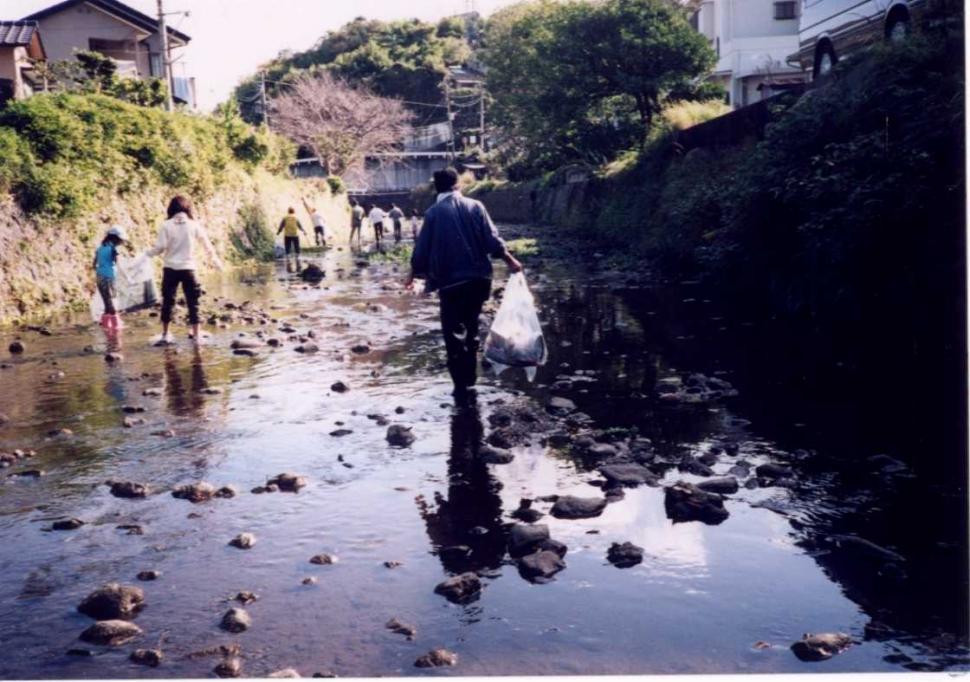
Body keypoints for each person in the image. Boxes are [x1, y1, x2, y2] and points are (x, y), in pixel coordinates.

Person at [406, 168, 522, 399]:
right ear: (457, 184)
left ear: (436, 188)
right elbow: (491, 239)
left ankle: (460, 386)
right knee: (472, 326)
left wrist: (413, 274)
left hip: (450, 283)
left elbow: (421, 251)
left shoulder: (432, 213)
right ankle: (471, 380)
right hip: (479, 279)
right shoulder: (475, 206)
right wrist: (510, 260)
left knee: (452, 333)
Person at [145, 195, 223, 345]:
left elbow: (160, 247)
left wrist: (147, 255)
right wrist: (216, 261)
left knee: (168, 302)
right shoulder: (194, 225)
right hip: (189, 269)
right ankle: (196, 335)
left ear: (171, 209)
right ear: (187, 208)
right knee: (194, 303)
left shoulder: (166, 225)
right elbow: (207, 245)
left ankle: (166, 334)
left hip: (170, 269)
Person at [92, 225, 128, 332]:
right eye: (121, 240)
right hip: (109, 278)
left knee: (106, 302)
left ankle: (106, 327)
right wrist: (127, 277)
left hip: (99, 277)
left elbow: (94, 265)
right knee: (112, 304)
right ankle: (116, 329)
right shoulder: (113, 249)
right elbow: (119, 265)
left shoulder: (100, 248)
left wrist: (103, 268)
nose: (122, 242)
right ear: (116, 239)